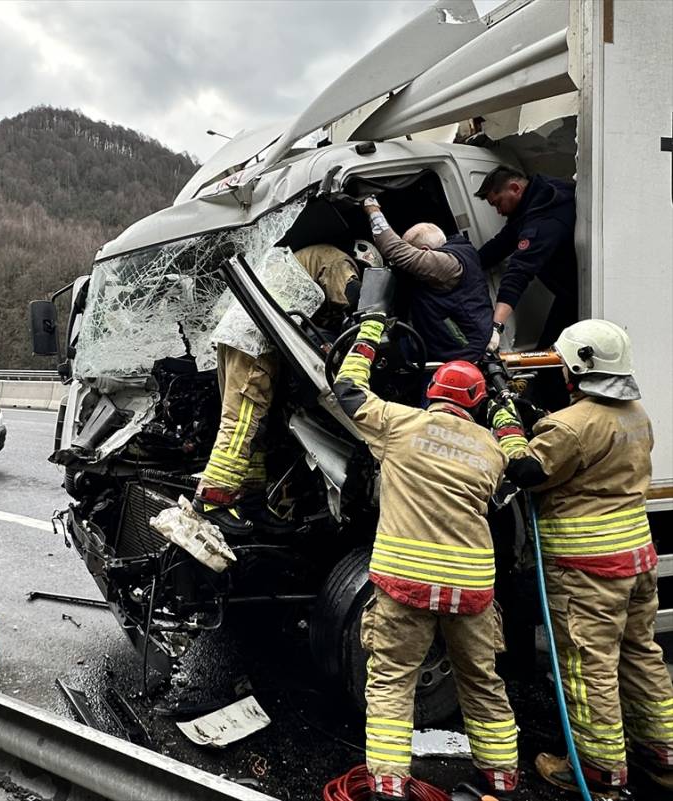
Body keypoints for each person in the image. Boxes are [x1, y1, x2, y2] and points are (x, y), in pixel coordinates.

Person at [333, 295, 519, 799]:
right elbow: (521, 460)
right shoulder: (493, 450)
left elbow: (347, 390)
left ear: (430, 391)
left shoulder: (400, 425)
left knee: (392, 682)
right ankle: (501, 778)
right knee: (481, 681)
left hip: (404, 587)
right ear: (476, 404)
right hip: (471, 595)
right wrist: (503, 410)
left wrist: (369, 331)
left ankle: (390, 784)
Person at [490, 319, 672, 796]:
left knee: (587, 667)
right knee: (640, 656)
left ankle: (597, 770)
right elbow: (590, 445)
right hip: (636, 558)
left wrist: (507, 420)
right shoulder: (635, 413)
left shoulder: (569, 427)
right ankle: (663, 754)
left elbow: (526, 469)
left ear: (577, 366)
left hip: (588, 570)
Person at [192, 242, 370, 535]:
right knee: (242, 421)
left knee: (257, 427)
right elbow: (355, 299)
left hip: (242, 334)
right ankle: (213, 499)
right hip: (255, 339)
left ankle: (251, 501)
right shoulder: (339, 260)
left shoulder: (308, 258)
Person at [364, 197, 493, 362]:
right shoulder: (457, 250)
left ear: (425, 251)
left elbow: (393, 248)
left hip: (463, 354)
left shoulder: (446, 263)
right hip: (447, 348)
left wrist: (372, 208)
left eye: (410, 249)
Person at [475, 166, 577, 351]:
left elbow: (519, 272)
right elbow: (502, 243)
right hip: (568, 294)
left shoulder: (547, 213)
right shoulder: (530, 204)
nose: (499, 211)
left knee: (554, 357)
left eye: (498, 203)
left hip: (580, 295)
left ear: (515, 188)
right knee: (550, 355)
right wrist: (465, 262)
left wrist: (496, 327)